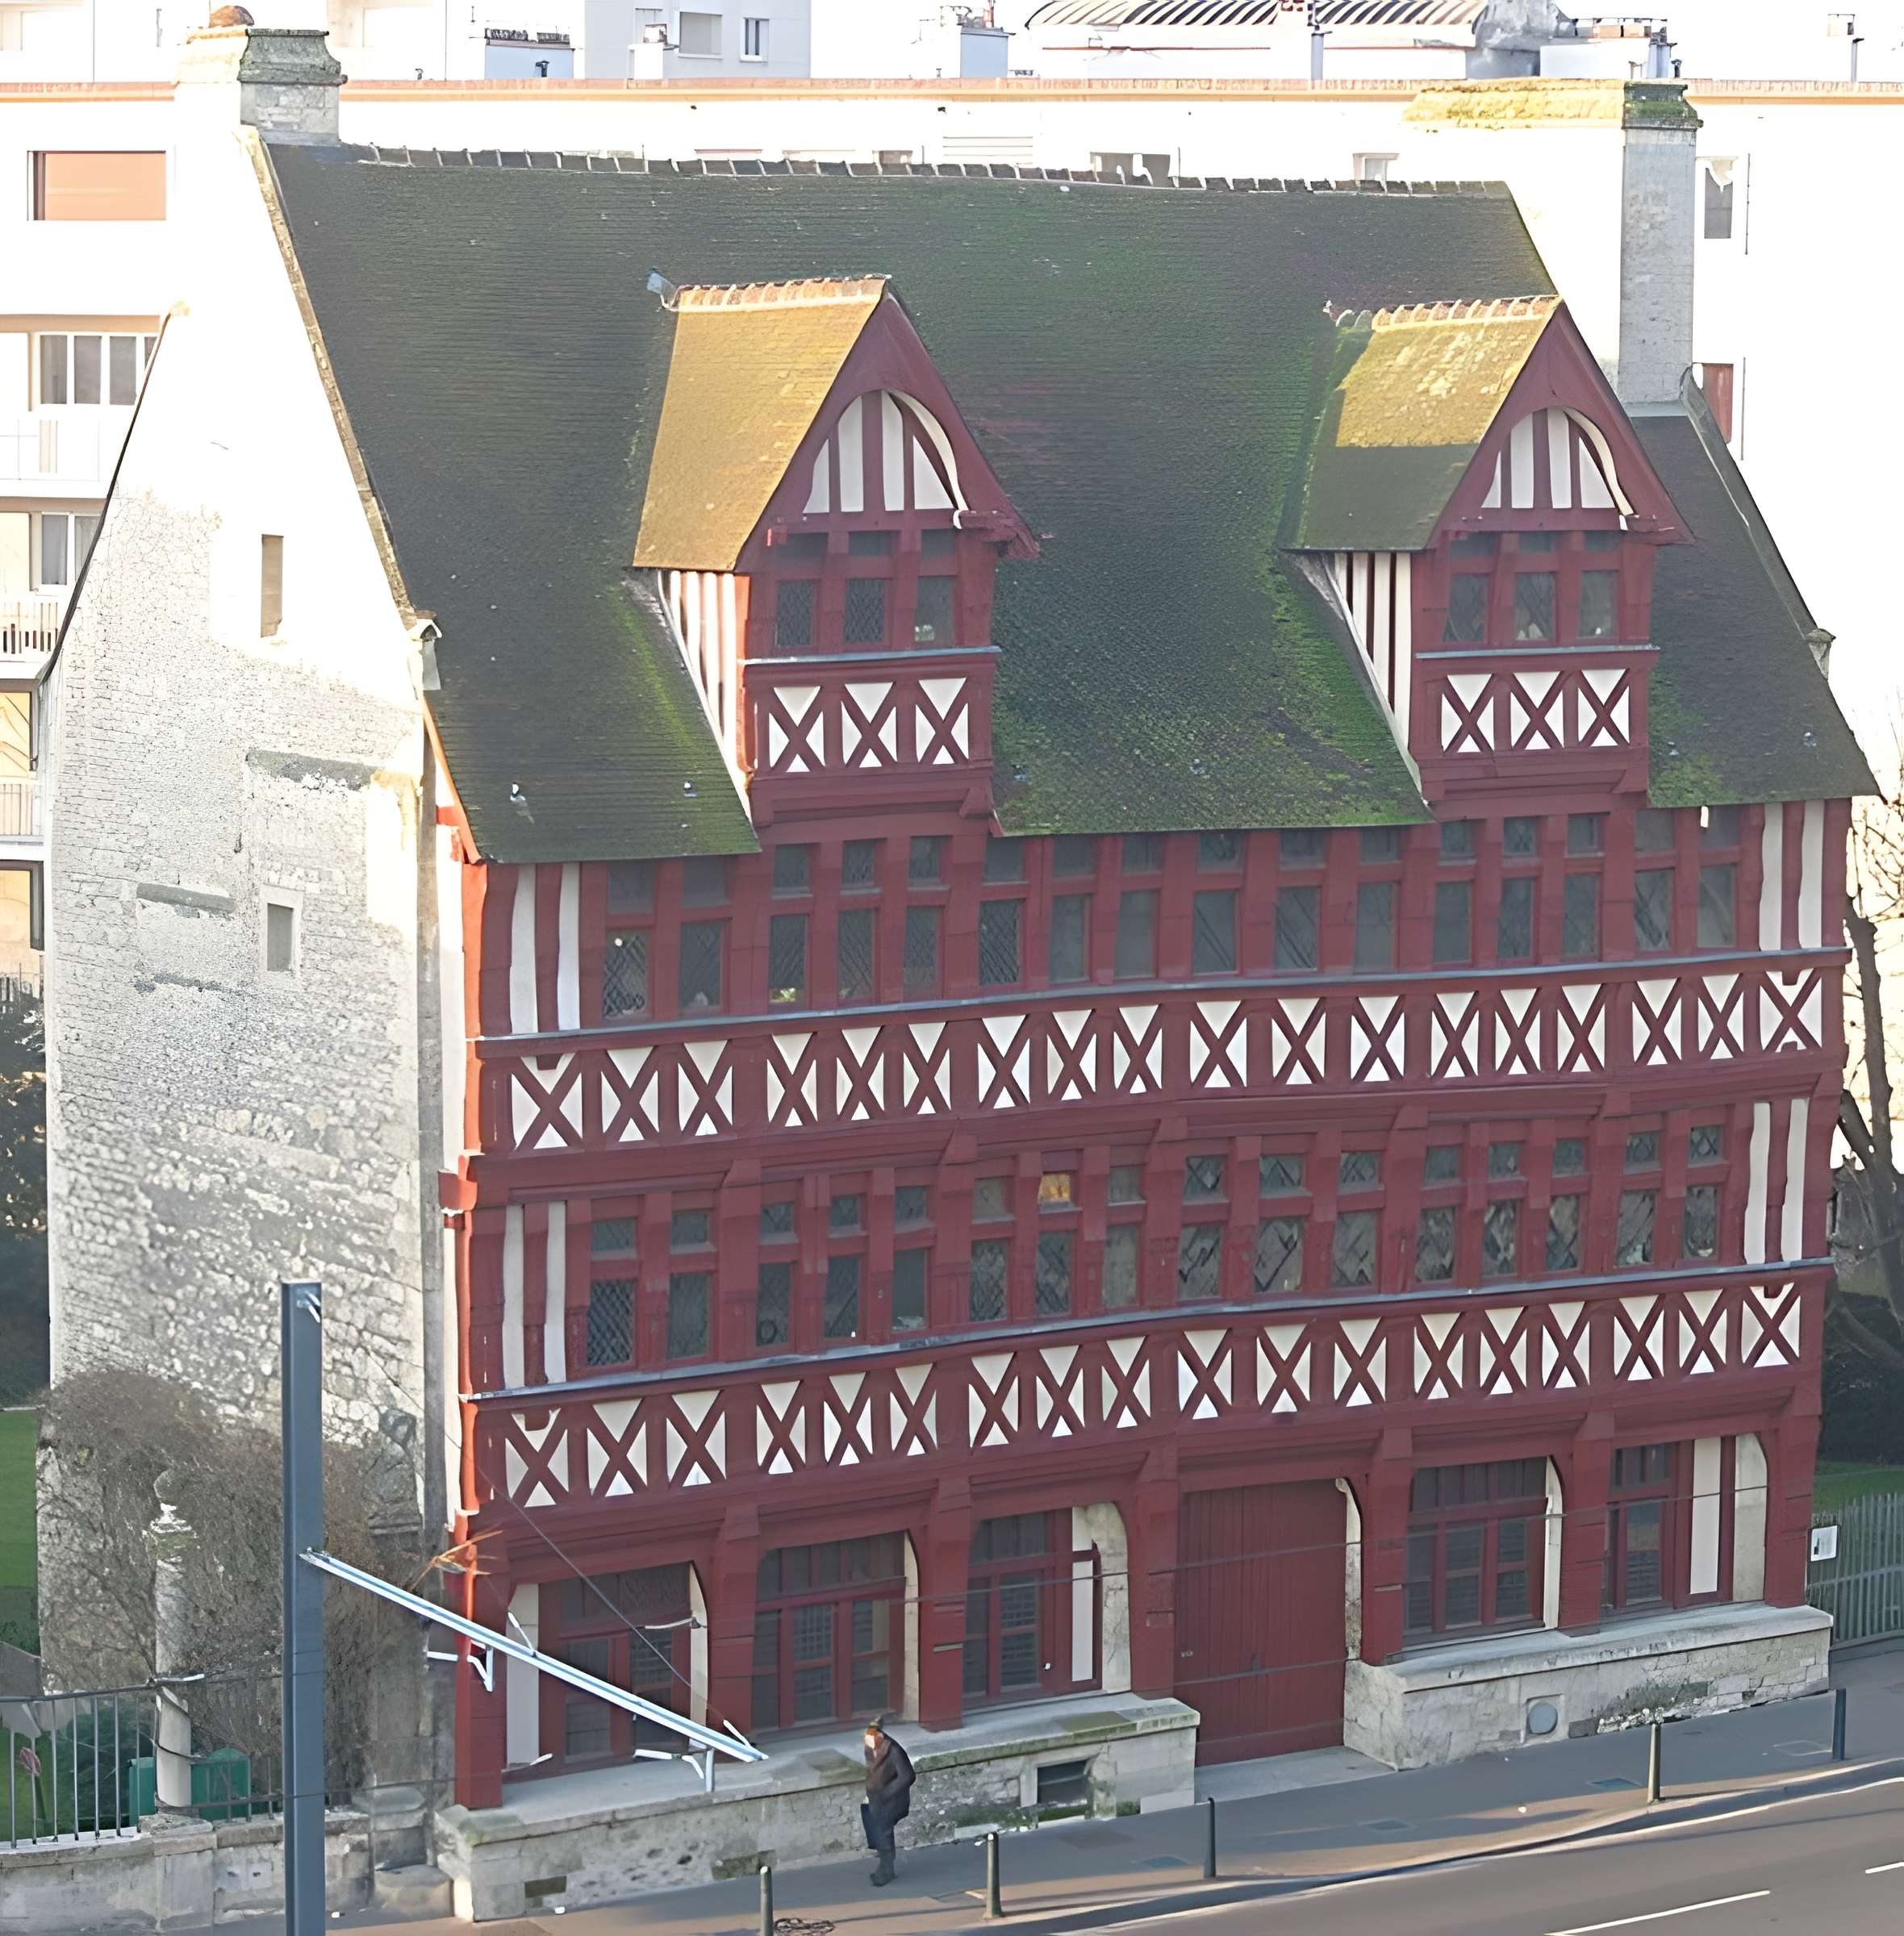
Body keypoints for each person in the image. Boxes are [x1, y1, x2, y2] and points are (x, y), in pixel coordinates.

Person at [861, 1720, 915, 1888]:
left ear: (881, 1737)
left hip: (891, 1801)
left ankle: (885, 1871)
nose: (868, 1743)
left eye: (872, 1739)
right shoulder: (870, 1747)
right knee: (877, 1830)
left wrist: (887, 1792)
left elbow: (908, 1776)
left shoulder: (894, 1751)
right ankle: (885, 1861)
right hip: (875, 1798)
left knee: (883, 1832)